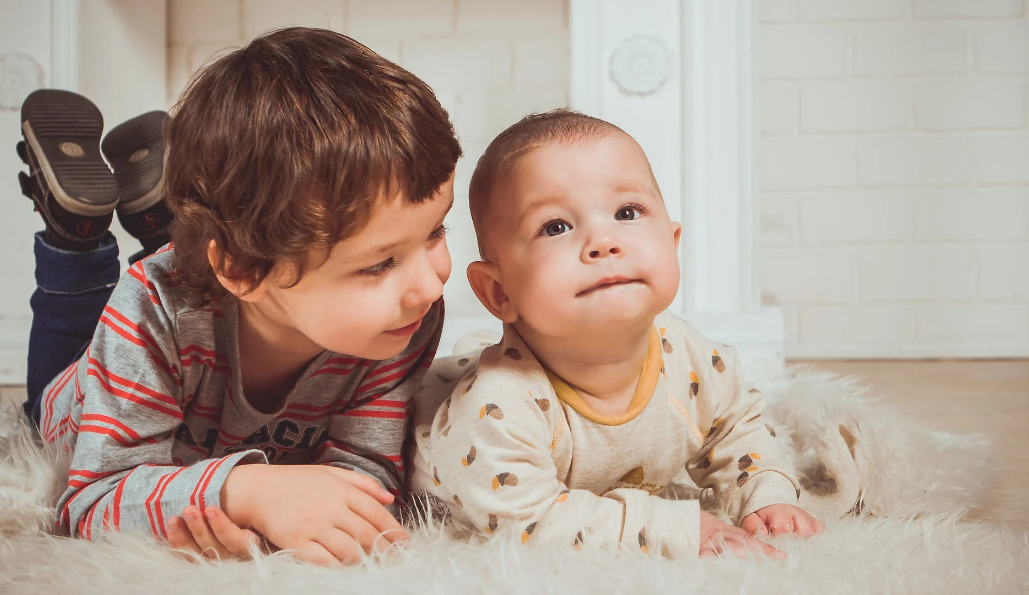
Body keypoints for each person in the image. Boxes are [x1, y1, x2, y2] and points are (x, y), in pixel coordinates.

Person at [17, 27, 461, 566]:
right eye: (379, 263)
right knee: (49, 384)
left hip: (214, 292)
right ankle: (75, 235)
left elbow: (368, 470)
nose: (431, 283)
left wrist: (308, 511)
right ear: (245, 269)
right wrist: (243, 491)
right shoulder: (149, 312)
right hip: (82, 394)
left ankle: (169, 217)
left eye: (436, 232)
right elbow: (90, 504)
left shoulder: (400, 323)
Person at [408, 110, 823, 558]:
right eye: (556, 226)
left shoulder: (690, 356)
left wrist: (766, 493)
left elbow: (738, 430)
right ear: (498, 291)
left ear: (672, 241)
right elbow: (529, 523)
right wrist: (671, 529)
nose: (603, 241)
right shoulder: (496, 408)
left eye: (628, 212)